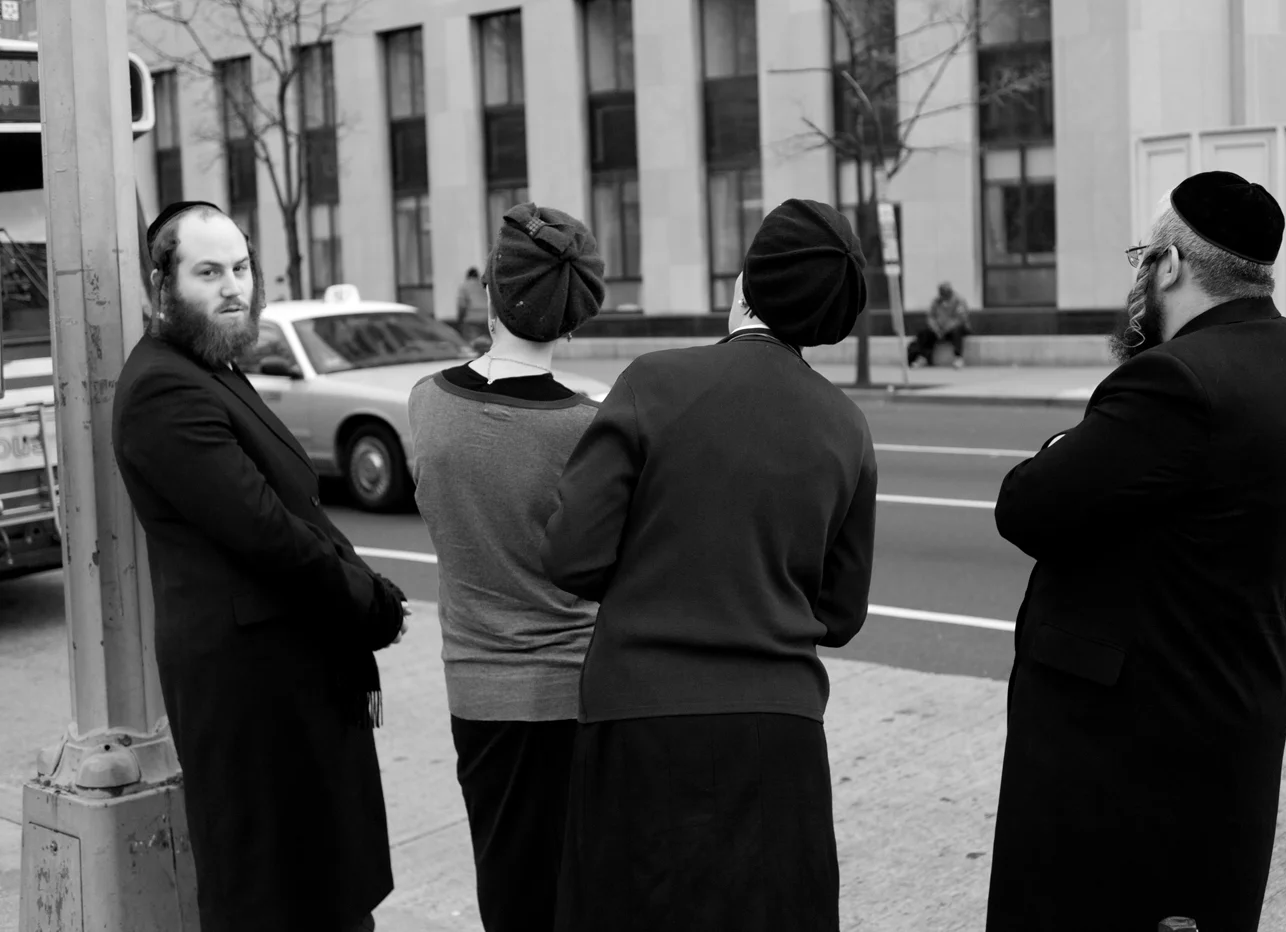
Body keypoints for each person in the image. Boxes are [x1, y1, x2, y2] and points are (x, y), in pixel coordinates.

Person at [985, 172, 1286, 932]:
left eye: (1142, 255)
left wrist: (1064, 443)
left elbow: (1027, 505)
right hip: (1220, 737)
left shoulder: (1175, 380)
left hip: (1128, 768)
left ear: (1169, 265)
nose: (1138, 275)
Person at [542, 198, 879, 932]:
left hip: (640, 719)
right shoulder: (846, 426)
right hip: (779, 730)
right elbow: (842, 614)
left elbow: (571, 555)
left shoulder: (653, 383)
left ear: (742, 284)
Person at [112, 201, 409, 932]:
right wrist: (368, 601)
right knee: (273, 891)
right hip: (251, 689)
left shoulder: (209, 366)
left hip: (285, 673)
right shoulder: (163, 386)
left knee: (322, 883)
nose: (234, 287)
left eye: (240, 268)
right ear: (162, 284)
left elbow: (292, 504)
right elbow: (266, 531)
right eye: (208, 272)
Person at [407, 203, 606, 932]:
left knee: (507, 882)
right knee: (577, 889)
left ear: (490, 290)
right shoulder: (587, 426)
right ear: (573, 319)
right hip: (574, 692)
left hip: (475, 690)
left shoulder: (425, 403)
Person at [908, 281, 971, 368]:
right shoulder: (936, 301)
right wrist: (935, 328)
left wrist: (946, 328)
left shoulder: (959, 301)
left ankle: (958, 358)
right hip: (939, 329)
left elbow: (961, 318)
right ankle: (923, 357)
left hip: (954, 328)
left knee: (957, 332)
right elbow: (930, 317)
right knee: (926, 333)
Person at [456, 266, 491, 354]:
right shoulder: (484, 285)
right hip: (487, 317)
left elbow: (462, 305)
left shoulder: (464, 286)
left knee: (473, 345)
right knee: (487, 344)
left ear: (467, 276)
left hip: (472, 318)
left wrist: (460, 319)